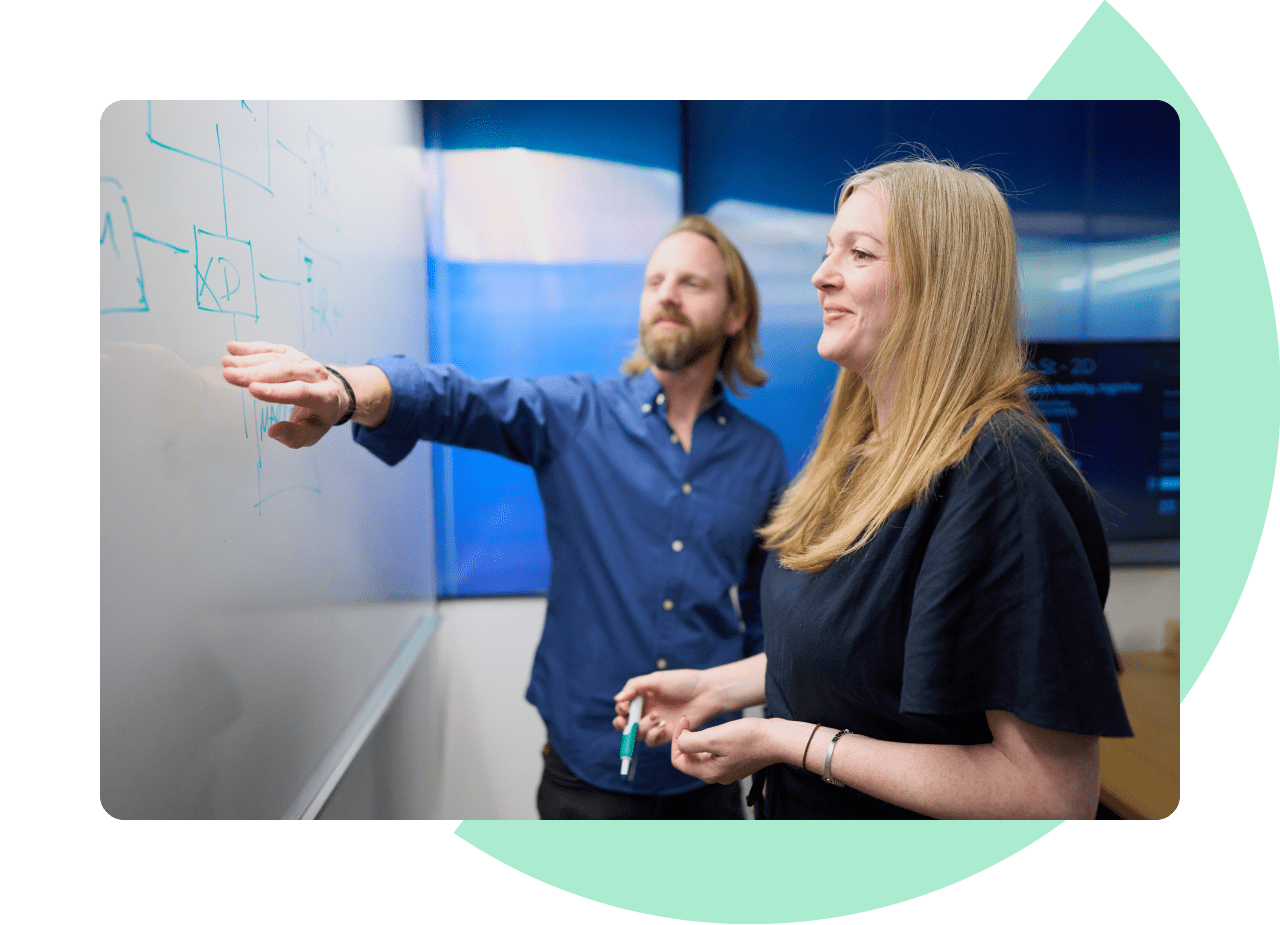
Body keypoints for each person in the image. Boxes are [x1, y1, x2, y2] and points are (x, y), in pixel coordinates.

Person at [613, 159, 1133, 820]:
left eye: (858, 253)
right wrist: (712, 688)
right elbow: (864, 653)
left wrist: (785, 739)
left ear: (938, 283)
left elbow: (1050, 797)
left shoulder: (1001, 474)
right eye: (828, 249)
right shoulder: (858, 456)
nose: (821, 274)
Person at [222, 215, 789, 819]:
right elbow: (455, 400)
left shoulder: (761, 455)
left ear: (735, 314)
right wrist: (345, 391)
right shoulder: (578, 414)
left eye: (692, 283)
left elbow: (768, 618)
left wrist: (771, 746)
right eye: (655, 281)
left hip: (708, 768)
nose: (667, 294)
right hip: (587, 770)